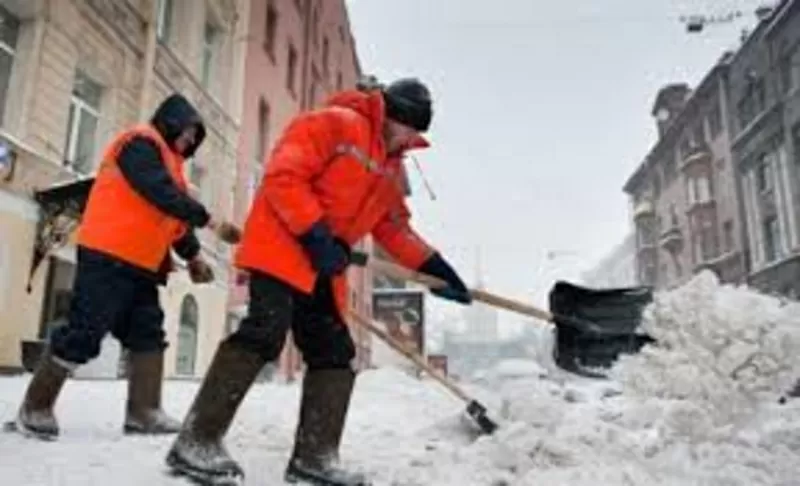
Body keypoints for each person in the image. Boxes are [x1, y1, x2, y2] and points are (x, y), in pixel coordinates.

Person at [165, 77, 472, 486]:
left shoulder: (391, 167)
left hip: (321, 266)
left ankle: (315, 457)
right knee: (264, 332)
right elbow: (283, 177)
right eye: (410, 128)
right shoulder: (334, 123)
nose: (412, 138)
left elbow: (394, 228)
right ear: (394, 114)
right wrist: (316, 235)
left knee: (333, 352)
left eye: (418, 133)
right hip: (281, 246)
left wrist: (437, 268)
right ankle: (196, 442)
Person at [7, 93, 241, 441]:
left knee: (147, 333)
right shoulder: (138, 144)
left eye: (195, 137)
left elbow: (173, 220)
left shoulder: (173, 168)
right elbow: (158, 192)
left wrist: (193, 257)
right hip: (107, 255)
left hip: (142, 265)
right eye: (189, 132)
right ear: (172, 120)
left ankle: (144, 412)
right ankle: (35, 407)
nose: (191, 141)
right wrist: (210, 221)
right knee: (84, 333)